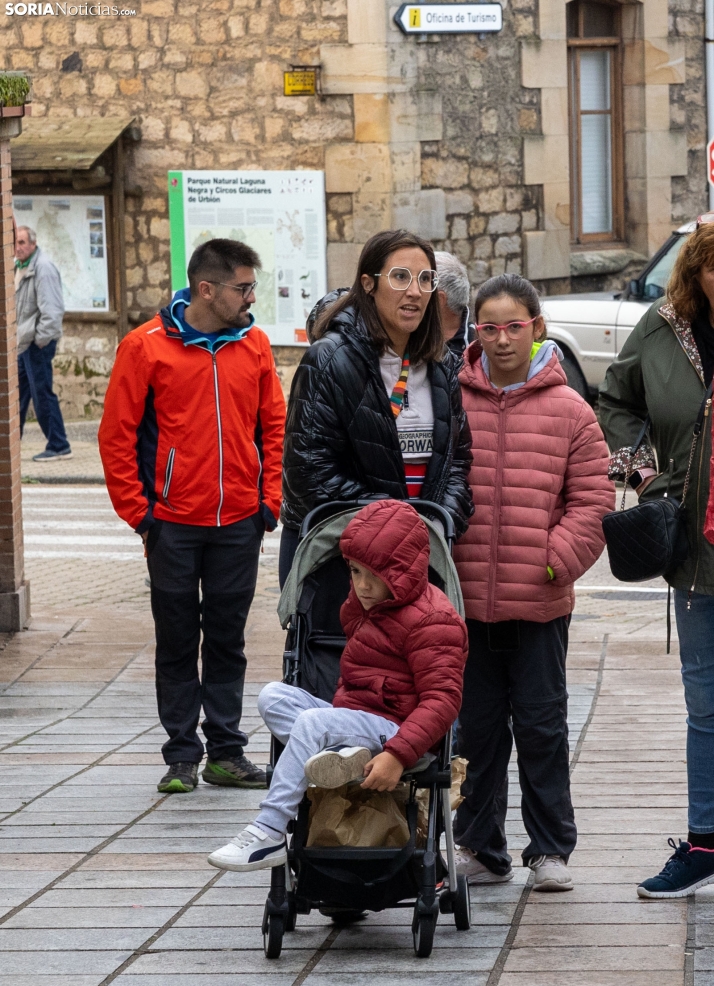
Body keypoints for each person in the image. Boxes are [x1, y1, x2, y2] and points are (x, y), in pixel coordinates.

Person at [99, 239, 286, 794]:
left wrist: (267, 502)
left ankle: (226, 752)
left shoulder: (253, 344)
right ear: (208, 289)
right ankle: (182, 755)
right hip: (172, 525)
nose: (251, 298)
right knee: (177, 638)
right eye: (243, 287)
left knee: (228, 638)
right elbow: (116, 436)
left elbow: (274, 425)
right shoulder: (145, 346)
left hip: (238, 523)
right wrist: (142, 515)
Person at [452, 274, 613, 891]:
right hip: (466, 599)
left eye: (513, 326)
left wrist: (555, 559)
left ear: (537, 328)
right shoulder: (454, 399)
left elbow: (593, 501)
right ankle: (480, 846)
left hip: (540, 600)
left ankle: (550, 849)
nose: (501, 339)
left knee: (543, 726)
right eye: (488, 327)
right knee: (477, 728)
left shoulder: (570, 409)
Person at [207, 498, 468, 871]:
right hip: (358, 719)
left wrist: (397, 754)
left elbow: (442, 700)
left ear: (403, 573)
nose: (362, 585)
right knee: (273, 696)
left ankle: (268, 831)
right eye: (355, 572)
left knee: (312, 725)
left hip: (398, 730)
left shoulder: (434, 620)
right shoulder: (362, 605)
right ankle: (342, 756)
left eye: (374, 576)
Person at [599, 221, 714, 898]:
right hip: (696, 552)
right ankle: (705, 842)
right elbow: (615, 397)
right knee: (705, 704)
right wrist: (645, 473)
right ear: (696, 274)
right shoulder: (664, 328)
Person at [279, 229, 473, 588]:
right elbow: (308, 472)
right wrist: (395, 521)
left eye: (425, 279)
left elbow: (457, 461)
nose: (414, 291)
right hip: (341, 558)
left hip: (418, 554)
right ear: (368, 284)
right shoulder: (329, 360)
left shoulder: (442, 365)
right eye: (400, 277)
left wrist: (443, 519)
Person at [14, 224, 70, 461]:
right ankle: (10, 445)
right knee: (16, 395)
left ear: (33, 244)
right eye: (15, 243)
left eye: (23, 242)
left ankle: (58, 445)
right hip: (24, 342)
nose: (18, 247)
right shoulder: (20, 267)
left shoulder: (43, 268)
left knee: (42, 395)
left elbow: (53, 310)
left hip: (37, 343)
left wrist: (40, 340)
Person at [434, 251, 475, 359]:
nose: (413, 291)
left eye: (423, 280)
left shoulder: (478, 348)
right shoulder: (407, 337)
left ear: (438, 300)